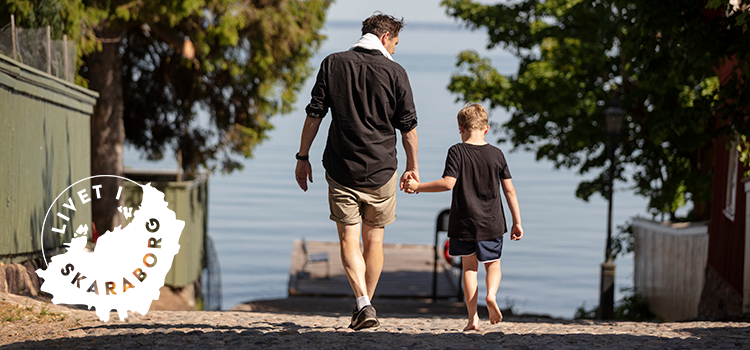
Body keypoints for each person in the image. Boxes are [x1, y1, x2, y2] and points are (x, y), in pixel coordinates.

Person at [294, 13, 419, 330]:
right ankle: (365, 305)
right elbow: (408, 130)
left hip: (341, 168)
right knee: (374, 239)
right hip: (382, 170)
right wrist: (412, 167)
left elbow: (314, 115)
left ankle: (363, 303)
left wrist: (302, 156)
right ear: (386, 36)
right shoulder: (395, 72)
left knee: (349, 237)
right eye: (396, 43)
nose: (395, 49)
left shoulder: (333, 63)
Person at [404, 103, 523, 331]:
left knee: (469, 269)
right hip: (492, 222)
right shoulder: (497, 154)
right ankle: (491, 295)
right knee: (493, 264)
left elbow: (448, 183)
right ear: (486, 128)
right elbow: (510, 190)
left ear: (460, 128)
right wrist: (517, 221)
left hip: (463, 223)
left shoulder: (456, 151)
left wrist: (418, 186)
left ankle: (472, 318)